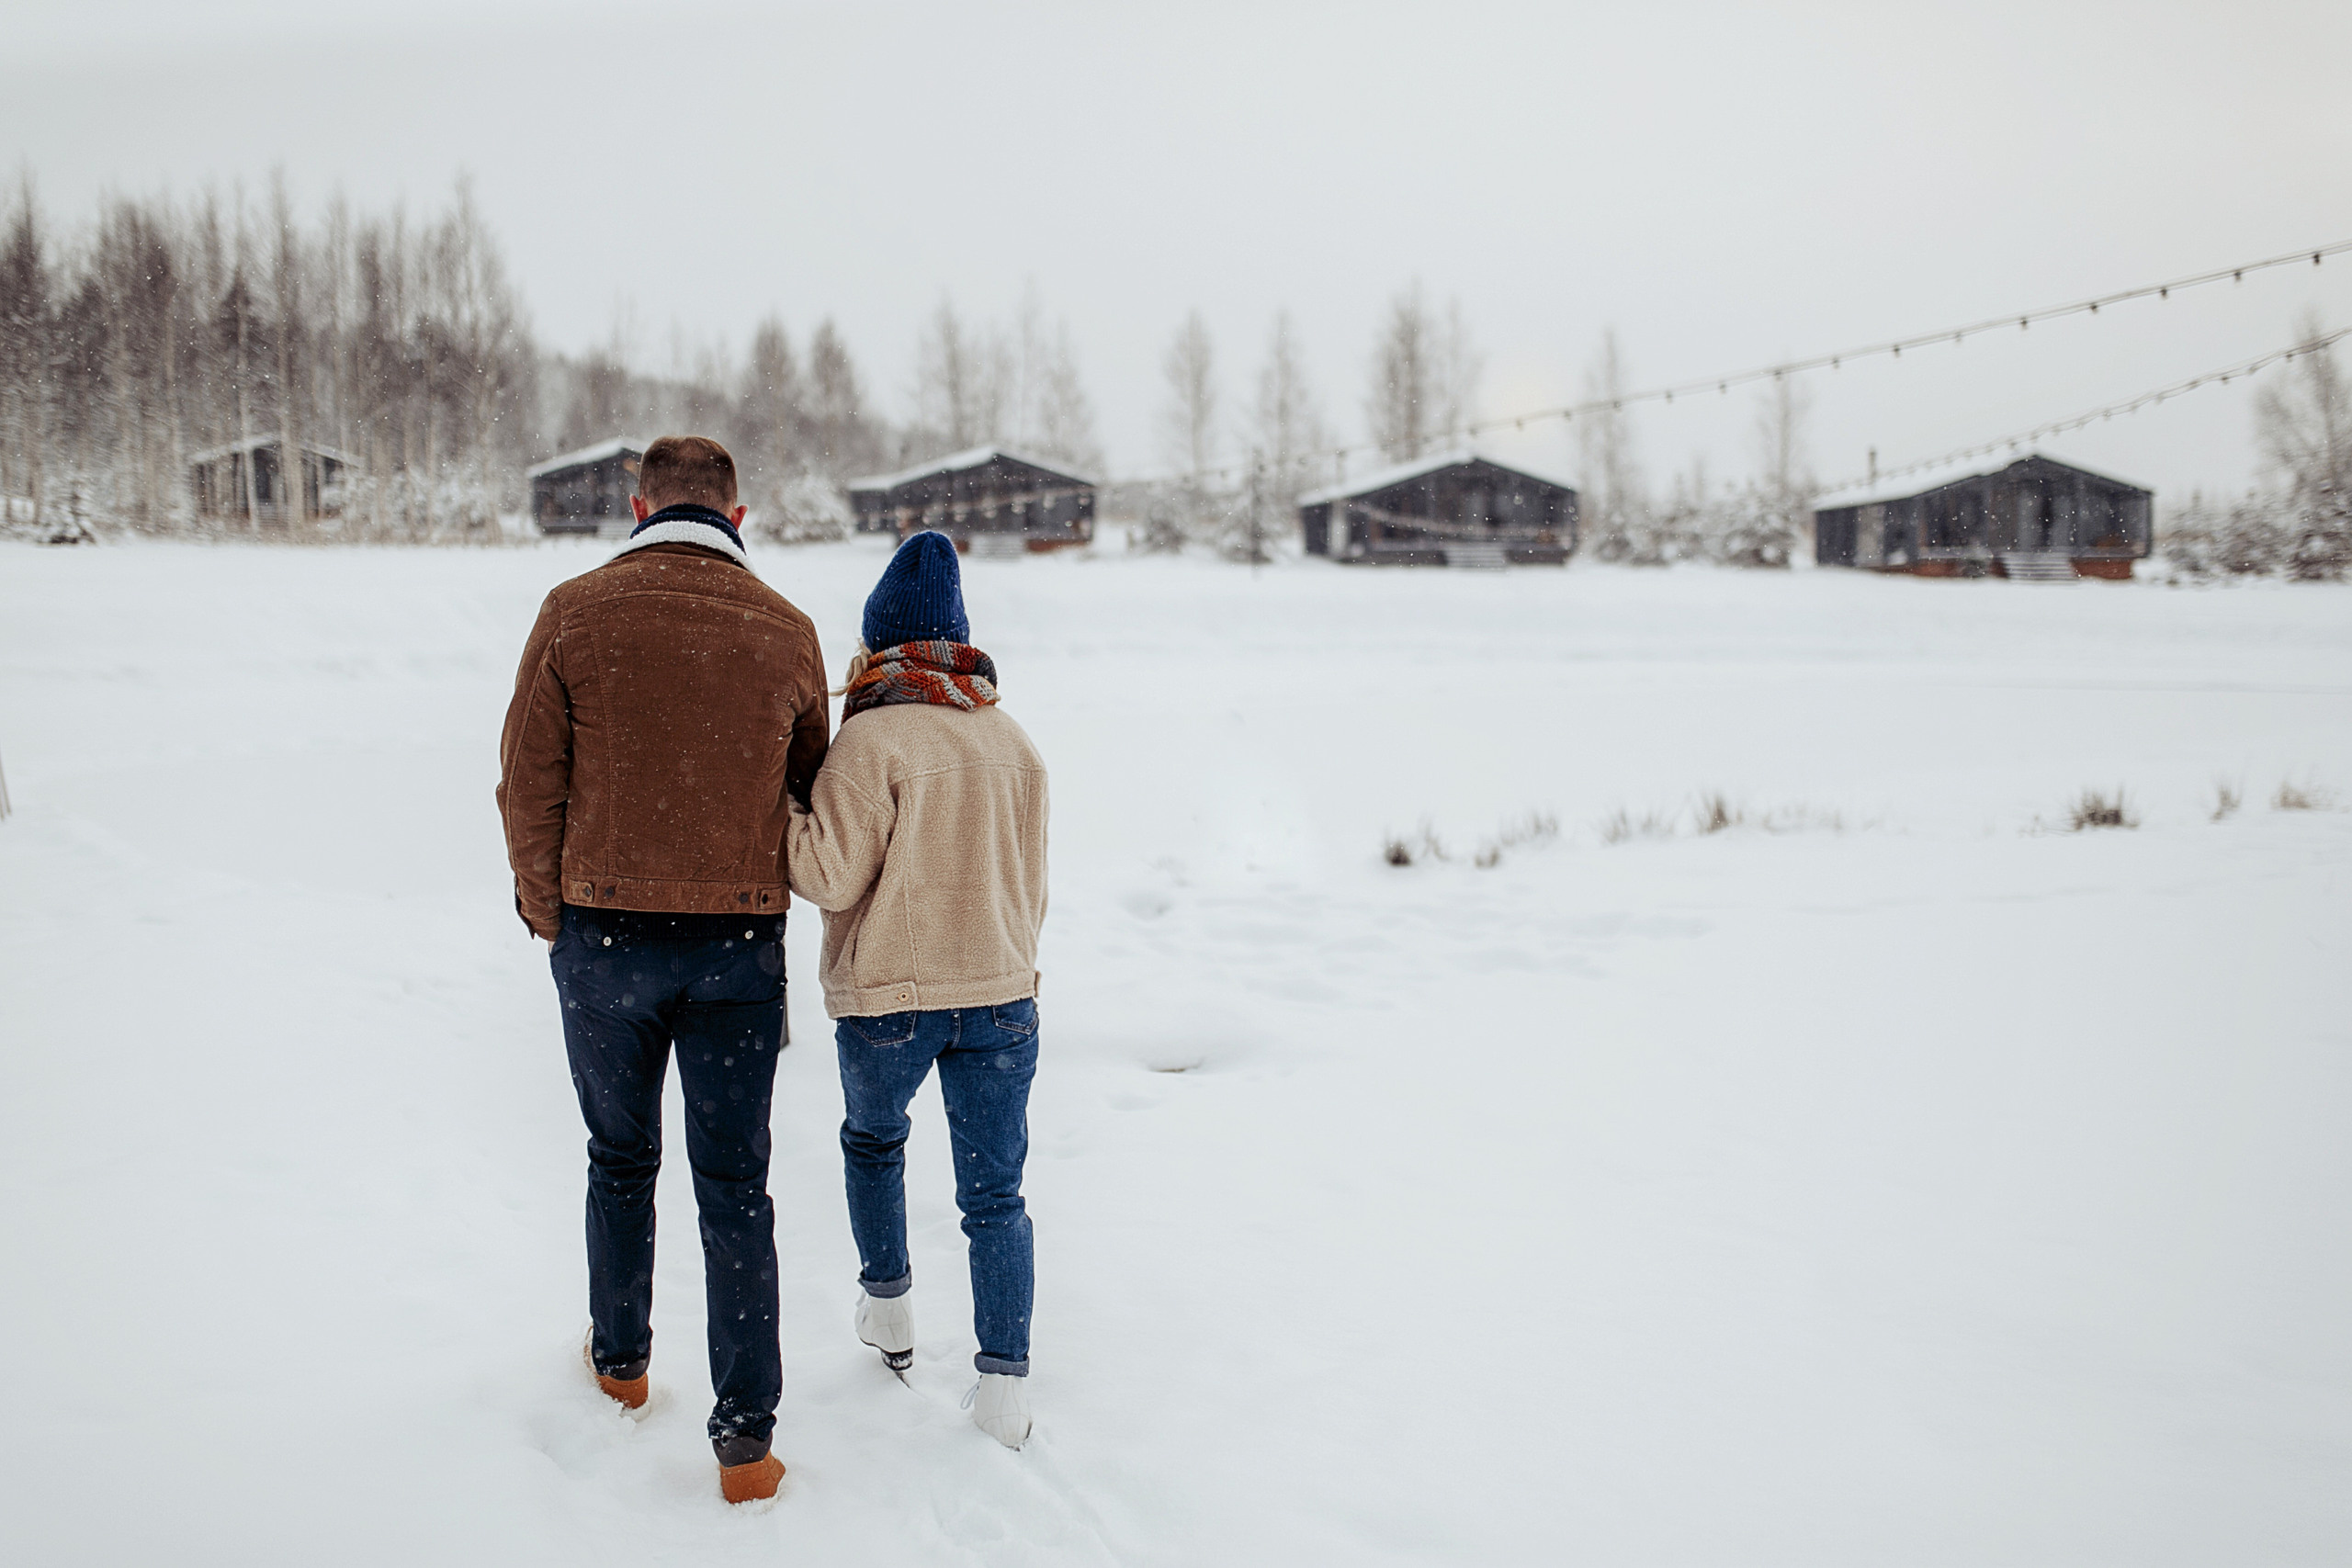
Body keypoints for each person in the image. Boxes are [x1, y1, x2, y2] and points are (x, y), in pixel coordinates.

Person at [496, 435, 828, 1506]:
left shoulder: (573, 611)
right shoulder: (786, 631)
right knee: (736, 1189)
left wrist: (557, 920)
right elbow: (813, 790)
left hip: (605, 942)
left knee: (618, 1158)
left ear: (638, 504)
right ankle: (746, 1451)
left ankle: (622, 1367)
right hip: (736, 950)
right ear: (742, 514)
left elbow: (525, 785)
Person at [784, 531, 1050, 1449]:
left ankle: (889, 1309)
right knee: (996, 1199)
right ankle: (1005, 1388)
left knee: (873, 1142)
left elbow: (824, 877)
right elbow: (1033, 886)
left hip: (889, 1000)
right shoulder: (1015, 744)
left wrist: (785, 807)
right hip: (1002, 993)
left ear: (877, 645)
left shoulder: (869, 741)